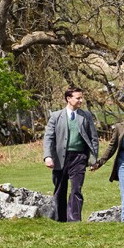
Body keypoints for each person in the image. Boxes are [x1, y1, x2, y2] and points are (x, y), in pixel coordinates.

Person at [43, 87, 100, 222]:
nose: (81, 100)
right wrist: (48, 156)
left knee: (76, 189)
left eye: (82, 97)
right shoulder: (56, 116)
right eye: (78, 98)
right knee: (60, 189)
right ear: (69, 99)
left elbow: (94, 138)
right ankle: (60, 219)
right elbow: (48, 138)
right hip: (60, 158)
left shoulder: (86, 116)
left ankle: (74, 219)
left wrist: (93, 159)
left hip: (79, 157)